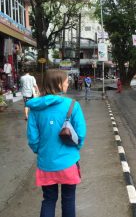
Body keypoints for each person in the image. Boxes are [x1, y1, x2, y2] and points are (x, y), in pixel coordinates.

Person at [26, 69, 86, 217]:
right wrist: (76, 148)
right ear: (58, 83)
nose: (68, 84)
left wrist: (40, 151)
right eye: (66, 81)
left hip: (46, 163)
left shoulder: (35, 109)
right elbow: (81, 134)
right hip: (68, 162)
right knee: (69, 198)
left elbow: (33, 139)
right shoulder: (72, 105)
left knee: (49, 199)